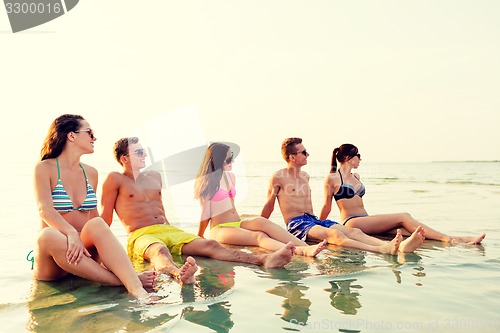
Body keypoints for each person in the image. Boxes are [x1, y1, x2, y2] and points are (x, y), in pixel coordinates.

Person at [100, 137, 294, 286]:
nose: (144, 155)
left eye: (144, 152)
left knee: (211, 244)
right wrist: (99, 254)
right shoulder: (115, 179)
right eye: (139, 152)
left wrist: (171, 229)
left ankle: (264, 259)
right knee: (159, 251)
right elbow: (105, 218)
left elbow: (161, 209)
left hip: (168, 229)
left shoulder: (154, 176)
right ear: (124, 158)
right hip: (141, 234)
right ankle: (179, 274)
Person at [33, 114, 155, 302]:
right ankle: (126, 281)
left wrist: (115, 260)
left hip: (84, 256)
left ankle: (137, 290)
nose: (94, 138)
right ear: (71, 136)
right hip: (54, 262)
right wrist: (71, 233)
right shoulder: (44, 168)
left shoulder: (91, 173)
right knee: (47, 235)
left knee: (97, 223)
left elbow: (95, 221)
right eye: (89, 132)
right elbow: (45, 210)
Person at [261, 138, 426, 254]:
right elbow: (269, 205)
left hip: (313, 219)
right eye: (304, 152)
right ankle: (380, 249)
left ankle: (394, 246)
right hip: (297, 224)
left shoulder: (305, 176)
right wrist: (261, 227)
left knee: (354, 232)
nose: (308, 154)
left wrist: (320, 222)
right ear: (292, 157)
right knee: (336, 235)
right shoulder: (278, 177)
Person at [319, 143, 486, 245]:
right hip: (353, 223)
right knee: (404, 216)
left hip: (367, 220)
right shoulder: (333, 178)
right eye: (358, 156)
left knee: (413, 234)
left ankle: (460, 240)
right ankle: (448, 239)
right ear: (348, 158)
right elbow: (327, 206)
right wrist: (318, 226)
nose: (360, 159)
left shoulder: (356, 176)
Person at [194, 143, 327, 257]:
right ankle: (300, 251)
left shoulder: (231, 177)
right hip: (220, 228)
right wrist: (200, 237)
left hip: (237, 223)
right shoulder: (206, 182)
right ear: (217, 160)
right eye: (228, 159)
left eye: (232, 157)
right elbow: (205, 213)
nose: (232, 161)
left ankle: (305, 246)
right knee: (259, 236)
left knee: (262, 221)